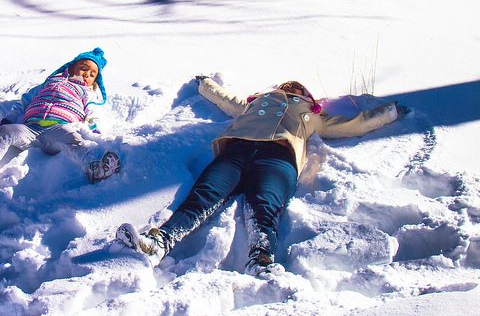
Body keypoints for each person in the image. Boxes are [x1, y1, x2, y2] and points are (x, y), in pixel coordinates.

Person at [116, 77, 402, 278]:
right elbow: (226, 100)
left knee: (263, 205)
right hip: (237, 149)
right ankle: (159, 243)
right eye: (287, 84)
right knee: (203, 195)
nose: (291, 87)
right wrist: (205, 85)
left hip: (278, 157)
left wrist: (388, 113)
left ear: (306, 96)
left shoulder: (313, 114)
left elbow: (352, 125)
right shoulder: (256, 103)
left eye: (298, 87)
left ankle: (261, 258)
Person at [0, 47, 121, 192]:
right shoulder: (49, 83)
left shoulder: (86, 93)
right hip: (30, 128)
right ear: (71, 67)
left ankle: (94, 170)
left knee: (72, 138)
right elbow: (23, 103)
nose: (87, 75)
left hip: (57, 128)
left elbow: (91, 114)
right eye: (83, 68)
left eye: (92, 75)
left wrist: (95, 130)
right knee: (6, 132)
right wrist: (8, 120)